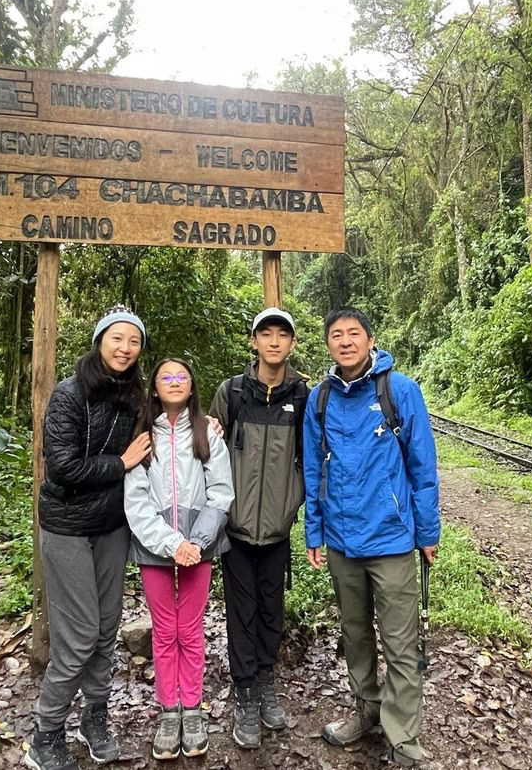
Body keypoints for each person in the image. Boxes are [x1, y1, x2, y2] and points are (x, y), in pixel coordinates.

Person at [303, 308, 440, 767]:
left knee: (401, 643)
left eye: (353, 334)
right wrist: (315, 530)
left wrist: (428, 532)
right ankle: (366, 711)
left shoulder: (399, 391)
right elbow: (312, 468)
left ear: (370, 339)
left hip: (392, 540)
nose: (345, 342)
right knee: (356, 634)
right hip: (342, 541)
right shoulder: (320, 399)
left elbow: (422, 468)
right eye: (336, 335)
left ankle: (403, 737)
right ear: (328, 344)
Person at [26, 306, 151, 770]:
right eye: (117, 338)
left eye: (134, 341)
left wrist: (209, 424)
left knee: (104, 631)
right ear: (100, 341)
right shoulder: (69, 394)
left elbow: (172, 419)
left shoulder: (135, 396)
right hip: (67, 527)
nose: (125, 348)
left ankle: (94, 717)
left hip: (111, 527)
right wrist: (121, 463)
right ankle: (46, 731)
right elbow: (62, 466)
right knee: (78, 635)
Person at [124, 357, 234, 761]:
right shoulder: (141, 437)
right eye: (165, 377)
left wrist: (197, 542)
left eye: (181, 377)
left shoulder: (207, 432)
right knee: (163, 629)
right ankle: (168, 711)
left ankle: (192, 709)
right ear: (154, 388)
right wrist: (172, 543)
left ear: (192, 386)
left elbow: (221, 491)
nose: (173, 382)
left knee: (189, 629)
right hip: (154, 548)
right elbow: (135, 501)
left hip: (198, 547)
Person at [210, 307, 310, 748]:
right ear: (254, 341)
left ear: (291, 343)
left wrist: (293, 505)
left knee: (272, 609)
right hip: (235, 529)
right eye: (265, 334)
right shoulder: (231, 393)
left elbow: (311, 460)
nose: (273, 342)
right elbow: (208, 454)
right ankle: (245, 691)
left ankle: (266, 682)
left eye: (281, 335)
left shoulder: (303, 397)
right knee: (240, 612)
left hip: (277, 530)